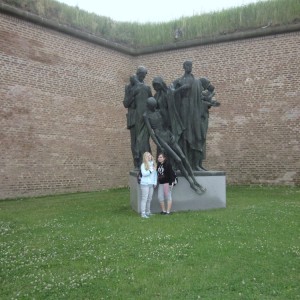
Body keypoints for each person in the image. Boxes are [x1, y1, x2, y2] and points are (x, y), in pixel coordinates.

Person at [143, 97, 205, 194]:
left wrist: (171, 134)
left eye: (154, 106)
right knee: (178, 160)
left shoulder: (159, 112)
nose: (154, 108)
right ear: (149, 106)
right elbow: (151, 132)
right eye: (152, 107)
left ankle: (196, 181)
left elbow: (166, 125)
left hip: (168, 135)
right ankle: (191, 184)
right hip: (161, 139)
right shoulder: (146, 115)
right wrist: (159, 144)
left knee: (184, 157)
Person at [172, 60, 204, 170]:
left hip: (194, 109)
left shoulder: (197, 81)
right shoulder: (179, 81)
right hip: (184, 108)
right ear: (184, 66)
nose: (189, 67)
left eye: (191, 65)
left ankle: (196, 164)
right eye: (187, 65)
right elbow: (170, 93)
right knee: (184, 134)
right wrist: (180, 88)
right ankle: (184, 163)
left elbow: (202, 97)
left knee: (196, 134)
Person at [131, 66, 153, 168]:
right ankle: (138, 162)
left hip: (145, 117)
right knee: (136, 140)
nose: (144, 76)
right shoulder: (130, 87)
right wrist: (133, 93)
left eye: (145, 75)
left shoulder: (146, 87)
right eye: (143, 74)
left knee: (144, 140)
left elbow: (152, 101)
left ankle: (147, 162)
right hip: (135, 118)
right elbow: (126, 103)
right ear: (139, 74)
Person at [140, 152, 157, 218]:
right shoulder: (143, 165)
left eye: (150, 155)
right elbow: (144, 174)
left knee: (149, 199)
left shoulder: (153, 164)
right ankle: (143, 213)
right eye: (147, 156)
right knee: (144, 198)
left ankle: (148, 212)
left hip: (151, 184)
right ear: (145, 157)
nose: (149, 157)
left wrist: (155, 182)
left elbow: (155, 174)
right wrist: (150, 170)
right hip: (145, 184)